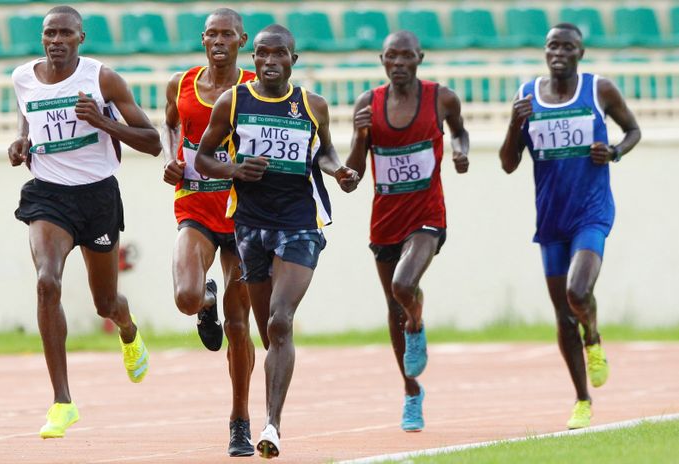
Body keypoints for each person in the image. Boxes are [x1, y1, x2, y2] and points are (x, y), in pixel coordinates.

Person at [194, 25, 359, 459]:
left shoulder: (311, 105)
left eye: (279, 54)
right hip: (250, 226)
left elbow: (322, 152)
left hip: (301, 222)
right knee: (269, 331)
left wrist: (339, 170)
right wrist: (235, 171)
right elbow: (202, 157)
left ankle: (272, 426)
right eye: (262, 53)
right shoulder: (233, 102)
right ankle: (269, 403)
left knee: (281, 321)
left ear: (293, 59)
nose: (270, 61)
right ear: (254, 60)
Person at [7, 6, 162, 439]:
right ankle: (62, 402)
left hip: (97, 197)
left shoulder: (102, 79)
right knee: (46, 282)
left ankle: (128, 329)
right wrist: (23, 140)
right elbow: (28, 115)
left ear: (81, 38)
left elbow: (152, 142)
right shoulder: (22, 77)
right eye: (48, 33)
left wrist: (102, 121)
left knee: (105, 303)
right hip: (48, 195)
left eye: (65, 34)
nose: (55, 40)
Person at [498, 23, 640, 429]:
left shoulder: (599, 90)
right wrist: (513, 124)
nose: (558, 52)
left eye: (567, 46)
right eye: (552, 46)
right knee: (562, 315)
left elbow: (633, 130)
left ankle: (592, 336)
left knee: (579, 292)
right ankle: (582, 399)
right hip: (551, 219)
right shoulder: (527, 96)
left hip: (591, 212)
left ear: (580, 52)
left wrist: (613, 151)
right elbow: (508, 164)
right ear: (545, 52)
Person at [346, 31, 470, 433]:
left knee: (404, 286)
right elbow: (354, 174)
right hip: (385, 219)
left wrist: (460, 150)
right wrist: (360, 135)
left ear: (420, 58)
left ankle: (417, 323)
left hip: (427, 216)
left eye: (407, 57)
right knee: (393, 305)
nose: (399, 63)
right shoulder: (369, 104)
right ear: (382, 59)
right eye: (392, 57)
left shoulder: (441, 98)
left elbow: (460, 130)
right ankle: (411, 392)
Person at [160, 8, 259, 457]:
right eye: (211, 34)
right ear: (203, 40)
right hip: (195, 205)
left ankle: (240, 420)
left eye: (227, 34)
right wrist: (172, 157)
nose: (219, 40)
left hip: (241, 214)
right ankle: (205, 300)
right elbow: (171, 124)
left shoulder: (257, 86)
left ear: (242, 40)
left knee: (239, 327)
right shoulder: (180, 85)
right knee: (185, 297)